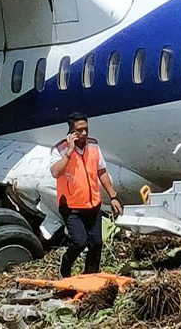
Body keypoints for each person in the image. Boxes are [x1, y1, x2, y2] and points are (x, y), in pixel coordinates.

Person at [50, 112, 123, 278]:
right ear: (71, 131)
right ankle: (65, 266)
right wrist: (69, 151)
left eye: (86, 129)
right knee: (79, 242)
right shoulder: (60, 149)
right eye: (79, 130)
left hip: (93, 204)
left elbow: (101, 172)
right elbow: (55, 172)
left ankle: (91, 275)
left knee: (96, 242)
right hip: (71, 206)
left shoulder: (93, 147)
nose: (84, 133)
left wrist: (113, 196)